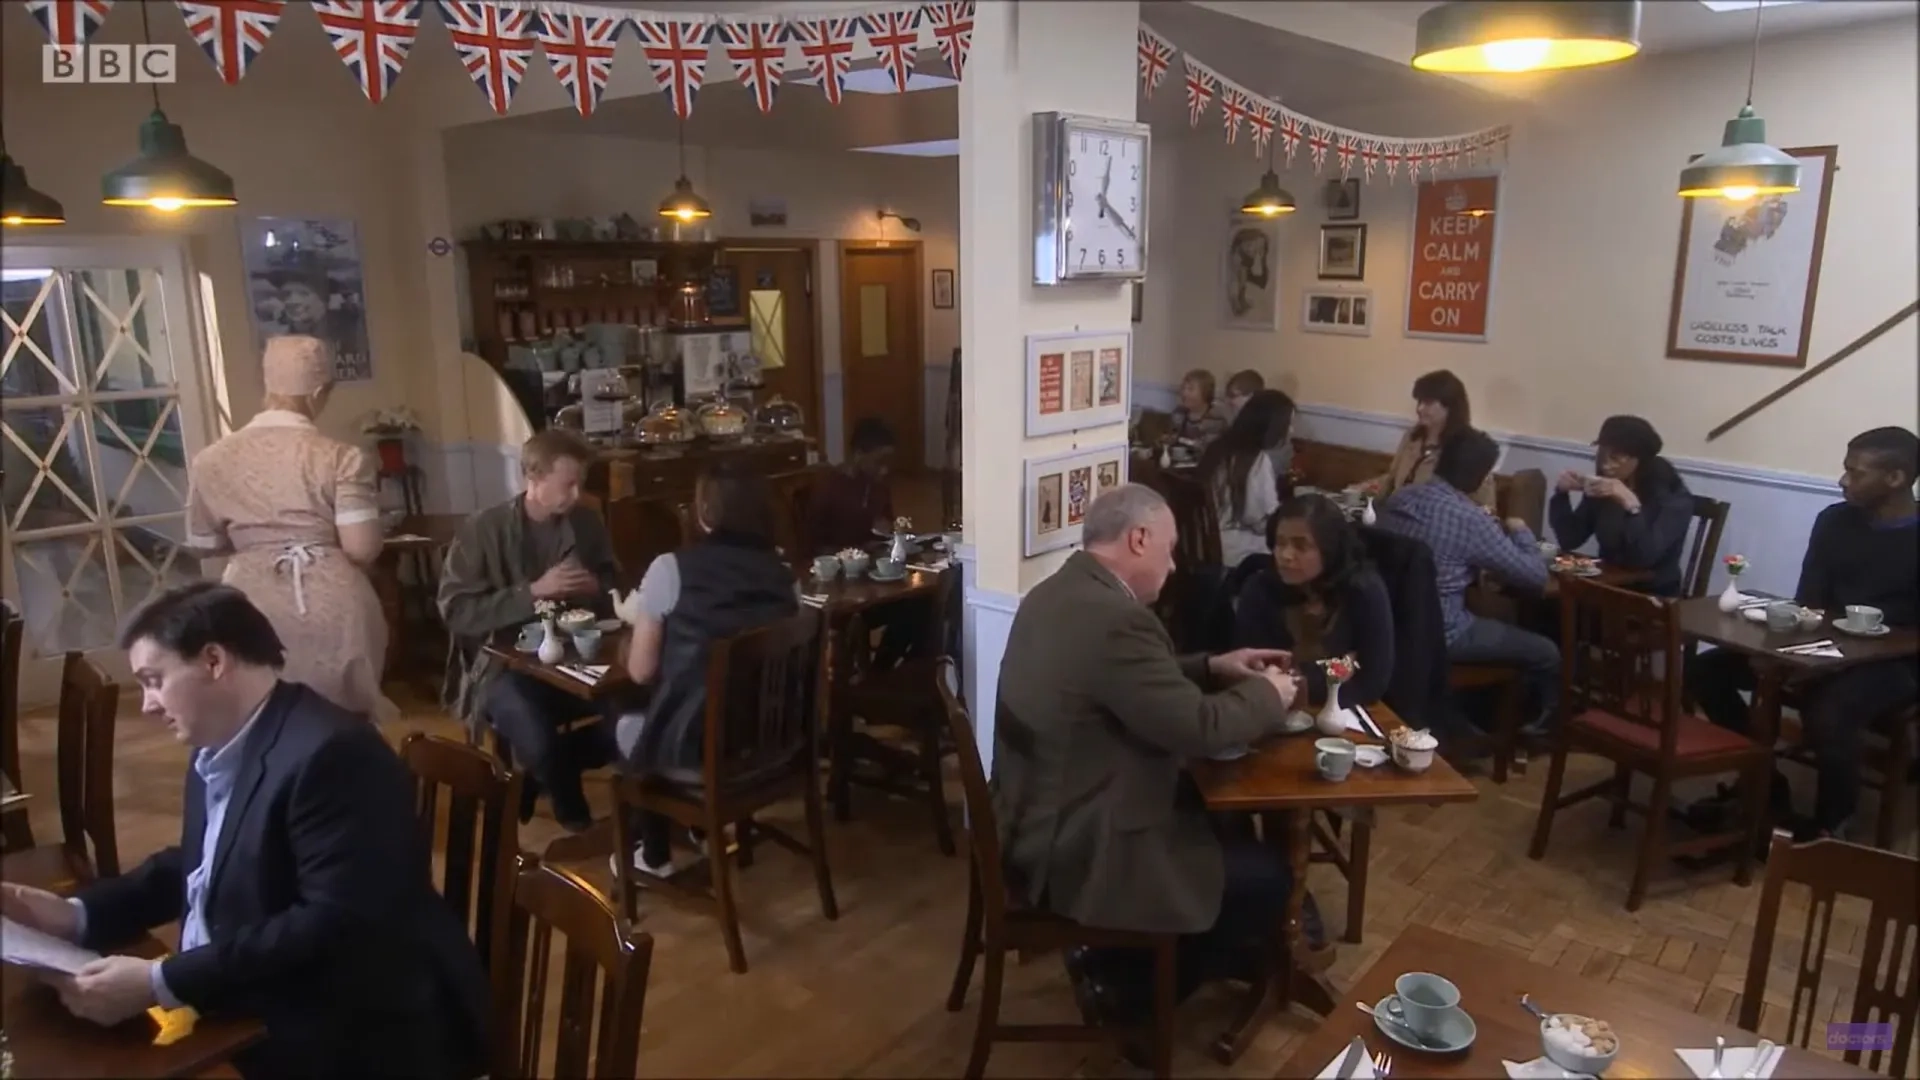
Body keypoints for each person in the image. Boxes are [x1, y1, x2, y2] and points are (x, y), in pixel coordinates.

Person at [0, 583, 489, 1079]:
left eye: (154, 680)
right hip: (258, 993)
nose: (146, 704)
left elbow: (333, 925)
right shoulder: (221, 738)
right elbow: (203, 861)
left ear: (214, 661)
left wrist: (160, 981)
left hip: (352, 1028)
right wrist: (75, 915)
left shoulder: (335, 755)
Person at [993, 484, 1309, 1034]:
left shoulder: (1058, 592)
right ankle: (1130, 994)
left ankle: (1123, 961)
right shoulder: (1120, 621)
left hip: (1033, 815)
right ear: (1139, 538)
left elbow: (1127, 682)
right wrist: (1271, 693)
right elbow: (1202, 729)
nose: (1174, 562)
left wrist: (1214, 665)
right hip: (1082, 840)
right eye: (1170, 547)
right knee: (1267, 878)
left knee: (1221, 824)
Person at [1689, 426, 1919, 840]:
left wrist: (1829, 663)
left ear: (1896, 478)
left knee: (1829, 711)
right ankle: (1763, 781)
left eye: (1856, 472)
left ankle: (1831, 826)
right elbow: (1809, 600)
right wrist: (1785, 651)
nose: (1843, 480)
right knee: (1709, 671)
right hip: (1821, 646)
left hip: (1895, 661)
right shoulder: (1834, 521)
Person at [182, 335, 393, 722]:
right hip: (335, 609)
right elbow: (362, 547)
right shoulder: (342, 458)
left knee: (257, 716)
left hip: (249, 604)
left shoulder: (211, 460)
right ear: (316, 392)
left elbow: (203, 543)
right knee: (339, 722)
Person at [613, 462, 799, 875]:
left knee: (624, 721)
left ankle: (655, 852)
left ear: (704, 513)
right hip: (773, 746)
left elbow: (642, 671)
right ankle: (697, 829)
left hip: (701, 752)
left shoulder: (671, 569)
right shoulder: (783, 575)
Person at [439, 428, 620, 832]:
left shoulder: (586, 523)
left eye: (580, 483)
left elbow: (613, 583)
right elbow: (455, 610)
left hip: (576, 657)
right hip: (504, 667)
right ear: (533, 479)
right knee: (537, 737)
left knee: (629, 716)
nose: (577, 495)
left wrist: (597, 586)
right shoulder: (483, 530)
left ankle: (540, 775)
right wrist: (533, 592)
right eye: (568, 484)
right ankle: (575, 818)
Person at [1377, 431, 1558, 732]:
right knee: (1546, 651)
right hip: (1443, 632)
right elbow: (1534, 575)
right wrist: (1520, 529)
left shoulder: (1399, 499)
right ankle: (1535, 728)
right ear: (1480, 477)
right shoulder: (1469, 519)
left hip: (1391, 623)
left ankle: (1461, 714)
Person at [1234, 495, 1396, 710]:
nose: (1286, 555)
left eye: (1301, 546)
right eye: (1280, 543)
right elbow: (1255, 676)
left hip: (1345, 713)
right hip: (1270, 711)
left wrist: (1296, 679)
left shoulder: (1364, 591)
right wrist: (1338, 671)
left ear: (1329, 551)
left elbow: (1373, 682)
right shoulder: (1260, 589)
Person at [1550, 415, 1696, 596]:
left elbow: (1644, 558)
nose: (1605, 465)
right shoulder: (1605, 487)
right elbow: (1570, 538)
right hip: (1610, 584)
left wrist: (1631, 504)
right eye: (1601, 454)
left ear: (1638, 460)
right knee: (1545, 603)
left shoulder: (1673, 498)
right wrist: (1561, 494)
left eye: (1615, 457)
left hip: (1652, 594)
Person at [1363, 370, 1495, 508]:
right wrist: (1356, 494)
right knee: (1343, 513)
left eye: (1428, 403)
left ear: (1449, 406)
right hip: (1394, 516)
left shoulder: (1469, 448)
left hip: (1430, 524)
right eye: (1419, 402)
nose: (1419, 408)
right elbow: (1390, 481)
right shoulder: (1412, 436)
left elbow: (1485, 507)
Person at [1199, 389, 1296, 568]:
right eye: (1288, 424)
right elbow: (1260, 521)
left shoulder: (1217, 448)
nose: (1291, 430)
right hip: (1230, 546)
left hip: (1200, 540)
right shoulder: (1256, 460)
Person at [807, 417, 896, 554]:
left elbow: (887, 530)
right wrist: (859, 551)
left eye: (888, 463)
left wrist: (890, 531)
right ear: (858, 455)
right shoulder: (829, 487)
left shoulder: (879, 486)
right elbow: (814, 547)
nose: (885, 470)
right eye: (879, 462)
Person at [1169, 368, 1229, 448]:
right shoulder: (1179, 413)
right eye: (1183, 388)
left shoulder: (1216, 418)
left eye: (1190, 389)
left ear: (1206, 392)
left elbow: (1211, 449)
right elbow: (1172, 439)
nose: (1184, 393)